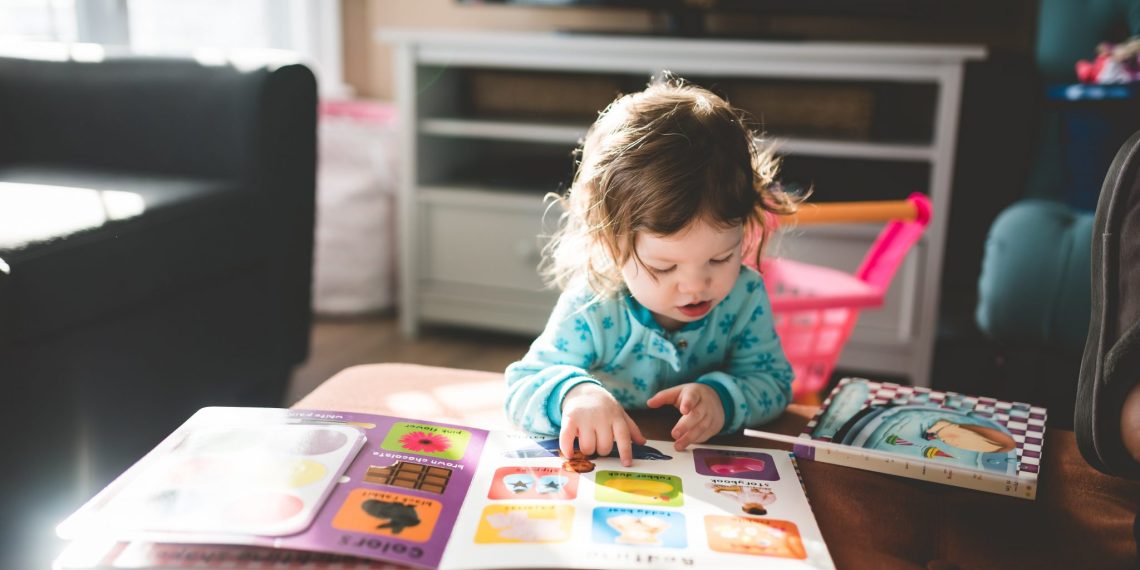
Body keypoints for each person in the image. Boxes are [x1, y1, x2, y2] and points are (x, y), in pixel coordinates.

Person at [504, 76, 802, 467]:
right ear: (611, 244)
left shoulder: (744, 297)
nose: (697, 285)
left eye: (721, 258)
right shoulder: (593, 304)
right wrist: (576, 394)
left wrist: (722, 398)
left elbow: (774, 384)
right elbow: (522, 386)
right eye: (664, 266)